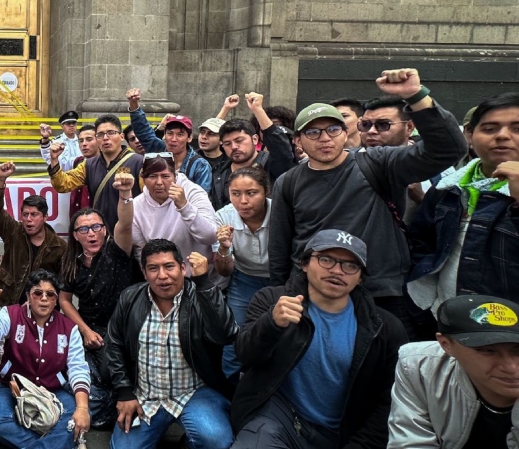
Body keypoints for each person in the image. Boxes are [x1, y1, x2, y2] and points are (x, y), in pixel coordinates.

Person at [268, 68, 467, 331]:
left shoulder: (380, 163)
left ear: (346, 131)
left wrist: (417, 97)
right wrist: (285, 290)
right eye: (313, 132)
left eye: (333, 129)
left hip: (379, 291)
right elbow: (281, 245)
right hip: (312, 291)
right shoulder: (289, 182)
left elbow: (448, 149)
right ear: (299, 140)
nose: (325, 138)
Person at [228, 230, 407, 449]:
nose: (337, 270)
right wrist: (271, 324)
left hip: (343, 434)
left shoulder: (385, 329)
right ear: (304, 263)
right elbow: (246, 356)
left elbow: (389, 401)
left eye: (350, 266)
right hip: (279, 417)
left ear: (361, 277)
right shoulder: (272, 301)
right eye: (326, 259)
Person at [106, 241, 237, 449]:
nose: (163, 276)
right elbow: (114, 344)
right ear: (144, 272)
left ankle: (191, 444)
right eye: (153, 268)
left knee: (217, 444)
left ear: (183, 268)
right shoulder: (130, 297)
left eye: (169, 266)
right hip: (145, 394)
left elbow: (226, 334)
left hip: (193, 392)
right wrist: (124, 391)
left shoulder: (200, 296)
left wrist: (204, 283)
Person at [407, 92, 519, 323]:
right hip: (446, 318)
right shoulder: (447, 189)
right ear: (469, 134)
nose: (502, 136)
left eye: (516, 128)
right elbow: (421, 243)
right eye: (489, 129)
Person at [388, 295, 519, 449]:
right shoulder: (420, 367)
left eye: (517, 350)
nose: (511, 367)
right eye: (488, 351)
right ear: (445, 344)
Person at [0, 270, 92, 449]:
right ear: (28, 296)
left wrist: (82, 407)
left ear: (56, 299)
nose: (44, 299)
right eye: (37, 293)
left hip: (52, 390)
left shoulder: (69, 328)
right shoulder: (11, 313)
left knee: (77, 414)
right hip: (14, 388)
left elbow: (78, 368)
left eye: (50, 294)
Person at [58, 172, 141, 427]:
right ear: (75, 235)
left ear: (104, 230)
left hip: (123, 330)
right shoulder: (71, 263)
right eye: (83, 229)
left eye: (96, 227)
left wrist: (125, 194)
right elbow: (64, 300)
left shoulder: (117, 251)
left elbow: (125, 224)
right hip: (92, 330)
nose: (91, 233)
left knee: (108, 372)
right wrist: (83, 331)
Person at [213, 167, 273, 378]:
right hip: (244, 279)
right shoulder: (224, 217)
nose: (243, 201)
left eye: (251, 193)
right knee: (234, 334)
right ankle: (232, 386)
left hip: (279, 279)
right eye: (235, 194)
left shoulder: (280, 212)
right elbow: (224, 270)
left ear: (266, 191)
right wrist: (224, 247)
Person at [49, 112, 144, 232]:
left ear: (121, 136)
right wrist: (54, 160)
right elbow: (62, 184)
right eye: (100, 134)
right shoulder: (89, 165)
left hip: (131, 232)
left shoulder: (138, 162)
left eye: (111, 133)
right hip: (99, 233)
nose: (105, 138)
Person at [0, 161, 67, 306]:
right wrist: (1, 180)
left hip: (42, 308)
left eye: (34, 214)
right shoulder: (13, 231)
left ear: (45, 217)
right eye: (25, 215)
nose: (28, 219)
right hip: (9, 303)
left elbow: (61, 285)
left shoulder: (59, 247)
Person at [209, 92, 295, 211]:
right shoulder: (218, 172)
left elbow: (281, 149)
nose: (234, 147)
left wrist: (258, 110)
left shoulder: (272, 164)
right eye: (227, 143)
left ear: (255, 139)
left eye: (239, 140)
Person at [130, 152, 219, 261]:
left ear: (175, 176)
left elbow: (210, 236)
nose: (159, 182)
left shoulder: (193, 192)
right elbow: (141, 251)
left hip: (198, 271)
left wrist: (184, 206)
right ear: (143, 178)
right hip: (162, 273)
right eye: (152, 176)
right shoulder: (136, 205)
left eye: (165, 176)